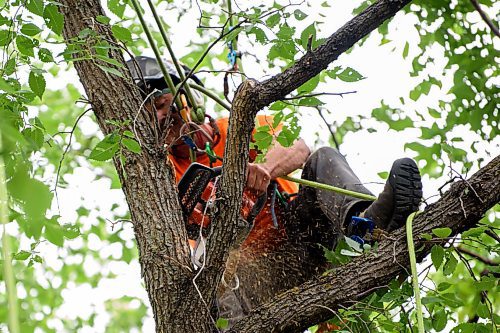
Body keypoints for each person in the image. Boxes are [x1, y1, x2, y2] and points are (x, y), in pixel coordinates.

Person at [126, 56, 423, 324]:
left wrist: (262, 169)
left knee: (323, 158)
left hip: (305, 235)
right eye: (150, 116)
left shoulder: (237, 128)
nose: (160, 118)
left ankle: (366, 226)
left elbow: (296, 146)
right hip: (250, 278)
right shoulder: (164, 173)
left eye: (161, 105)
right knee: (215, 293)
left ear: (186, 97)